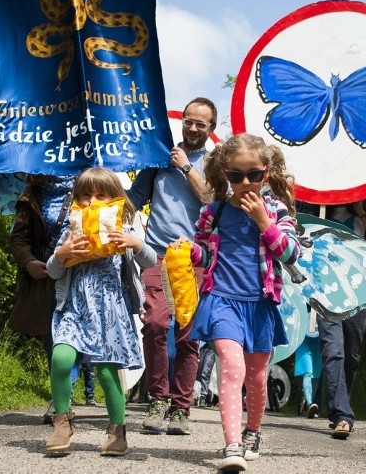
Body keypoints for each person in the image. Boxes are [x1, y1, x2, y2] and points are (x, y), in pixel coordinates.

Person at [180, 133, 301, 471]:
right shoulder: (213, 212)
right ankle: (231, 444)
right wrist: (192, 252)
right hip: (222, 301)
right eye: (236, 176)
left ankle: (253, 430)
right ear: (225, 174)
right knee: (231, 369)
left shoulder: (277, 211)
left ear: (266, 172)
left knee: (257, 378)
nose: (246, 183)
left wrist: (264, 222)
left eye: (254, 175)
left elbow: (291, 253)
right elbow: (205, 252)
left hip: (260, 305)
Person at [43, 168, 156, 457]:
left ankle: (117, 429)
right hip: (75, 307)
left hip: (110, 311)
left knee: (107, 373)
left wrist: (136, 244)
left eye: (101, 195)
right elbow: (53, 272)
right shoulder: (71, 232)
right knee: (61, 357)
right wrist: (62, 254)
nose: (91, 202)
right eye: (84, 196)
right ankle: (62, 420)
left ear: (116, 199)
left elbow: (151, 259)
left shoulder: (126, 228)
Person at [127, 97, 216, 435]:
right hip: (156, 253)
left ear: (211, 129)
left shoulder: (214, 163)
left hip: (194, 257)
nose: (193, 128)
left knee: (187, 335)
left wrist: (185, 167)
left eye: (200, 124)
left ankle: (181, 407)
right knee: (152, 323)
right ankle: (157, 399)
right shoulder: (158, 156)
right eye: (189, 121)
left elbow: (211, 198)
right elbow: (135, 198)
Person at [318, 200, 366, 440]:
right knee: (333, 350)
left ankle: (339, 406)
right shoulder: (321, 211)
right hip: (327, 289)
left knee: (351, 354)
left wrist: (361, 214)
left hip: (358, 291)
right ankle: (342, 415)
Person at [7, 174, 76, 423]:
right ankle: (62, 398)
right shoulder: (31, 193)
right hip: (45, 276)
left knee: (71, 334)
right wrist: (28, 263)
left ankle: (65, 397)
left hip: (79, 273)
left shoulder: (87, 186)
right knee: (53, 337)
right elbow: (18, 238)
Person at [294, 308, 322, 419]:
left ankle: (309, 405)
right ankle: (310, 404)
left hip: (319, 340)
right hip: (304, 340)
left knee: (316, 375)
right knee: (307, 372)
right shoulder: (304, 300)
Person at [195, 341, 217, 407]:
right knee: (199, 372)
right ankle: (208, 392)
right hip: (199, 345)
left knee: (206, 372)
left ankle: (203, 397)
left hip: (212, 346)